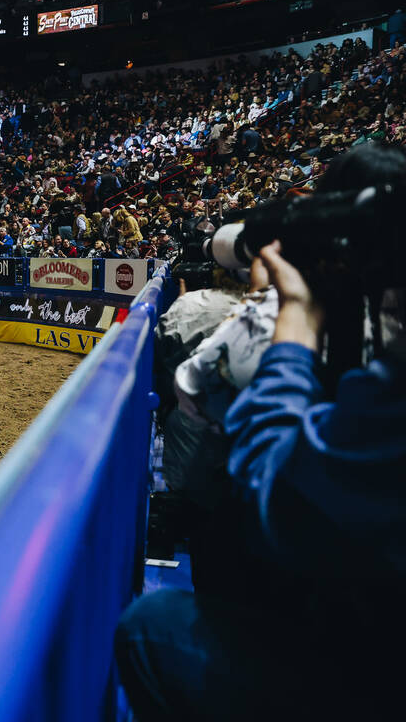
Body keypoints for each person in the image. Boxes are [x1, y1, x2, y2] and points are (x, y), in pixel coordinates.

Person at [115, 244, 406, 719]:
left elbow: (197, 394)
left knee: (152, 626)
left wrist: (289, 325)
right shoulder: (378, 354)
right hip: (367, 622)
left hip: (366, 666)